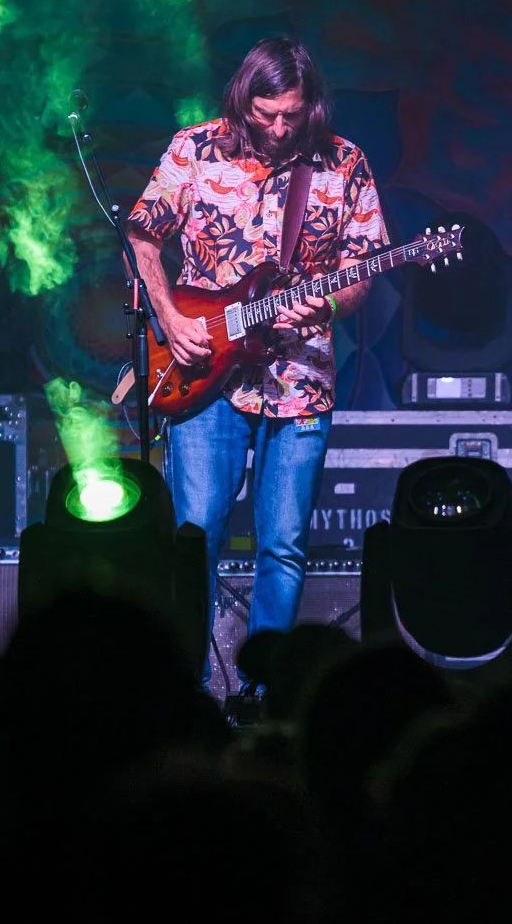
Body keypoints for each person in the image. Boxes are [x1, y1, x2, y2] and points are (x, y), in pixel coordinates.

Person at [127, 37, 389, 688]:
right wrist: (172, 319)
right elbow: (141, 235)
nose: (277, 127)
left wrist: (327, 306)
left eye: (290, 116)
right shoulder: (195, 150)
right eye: (266, 113)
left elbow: (361, 270)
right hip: (202, 370)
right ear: (244, 100)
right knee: (197, 539)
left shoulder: (342, 162)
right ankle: (189, 689)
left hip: (298, 378)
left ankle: (264, 694)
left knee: (284, 545)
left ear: (310, 107)